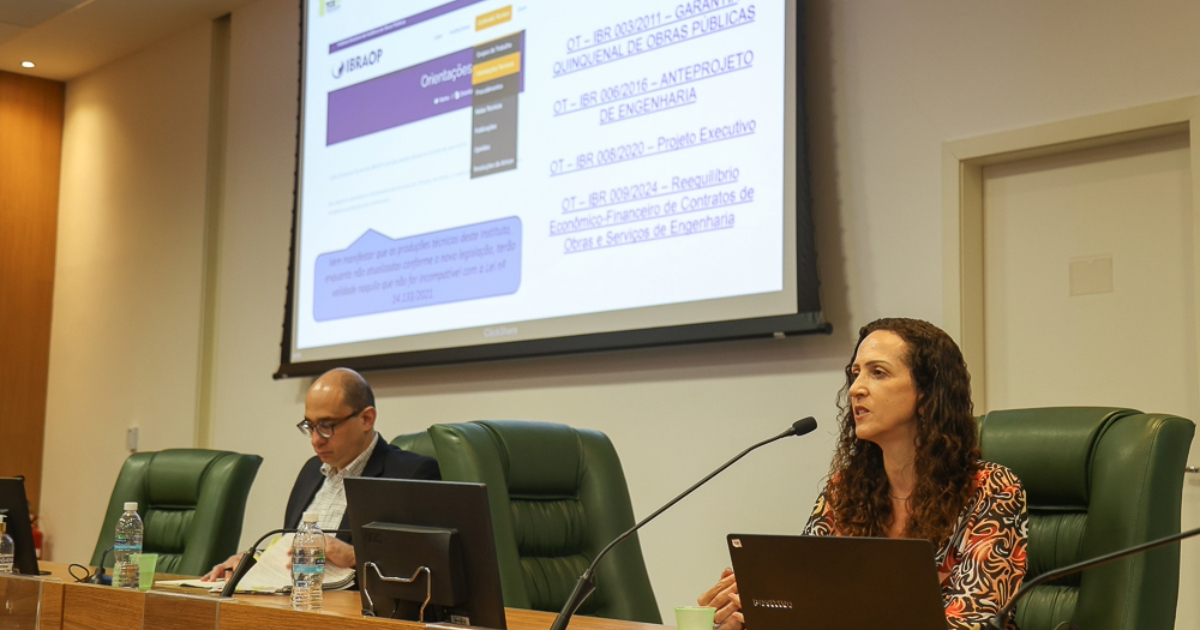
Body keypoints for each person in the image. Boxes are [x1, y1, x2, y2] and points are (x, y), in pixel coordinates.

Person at [699, 318, 1028, 630]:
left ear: (927, 395)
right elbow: (801, 598)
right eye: (855, 374)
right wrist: (749, 609)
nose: (856, 388)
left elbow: (975, 619)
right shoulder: (845, 491)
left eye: (878, 373)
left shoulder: (989, 489)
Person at [201, 367, 440, 581]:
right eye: (310, 426)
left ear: (367, 419)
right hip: (297, 602)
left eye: (327, 426)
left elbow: (430, 565)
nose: (316, 440)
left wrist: (355, 555)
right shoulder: (310, 472)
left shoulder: (410, 474)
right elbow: (295, 550)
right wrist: (256, 561)